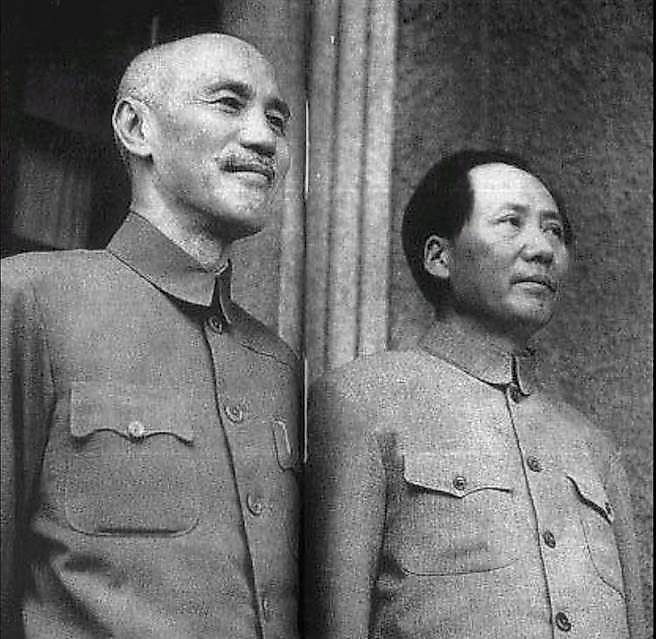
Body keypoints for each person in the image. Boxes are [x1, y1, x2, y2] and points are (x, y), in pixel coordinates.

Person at [1, 33, 301, 638]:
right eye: (227, 103)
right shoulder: (26, 301)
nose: (265, 138)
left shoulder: (277, 363)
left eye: (276, 119)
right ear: (137, 128)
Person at [303, 149, 646, 638]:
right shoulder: (359, 403)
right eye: (512, 222)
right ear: (439, 257)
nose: (543, 249)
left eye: (554, 230)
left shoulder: (592, 447)